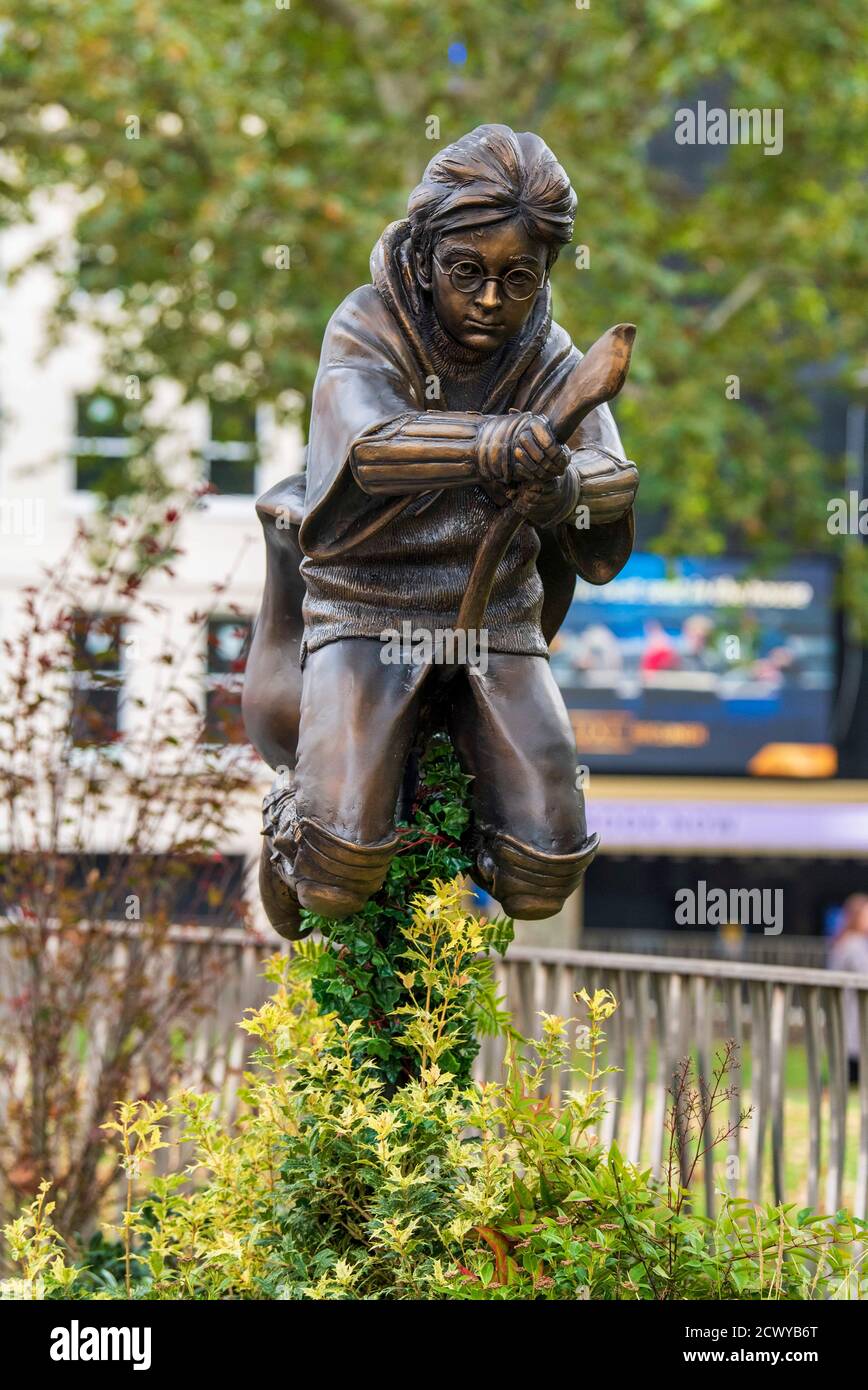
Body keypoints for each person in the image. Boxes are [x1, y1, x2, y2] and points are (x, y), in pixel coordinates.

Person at [243, 124, 639, 937]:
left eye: (518, 279)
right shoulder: (366, 326)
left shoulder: (552, 356)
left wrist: (563, 487)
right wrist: (495, 444)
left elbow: (609, 483)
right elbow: (372, 447)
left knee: (544, 869)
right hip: (370, 605)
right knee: (337, 869)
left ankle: (445, 811)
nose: (491, 300)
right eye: (468, 273)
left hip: (493, 618)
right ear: (425, 255)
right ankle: (300, 824)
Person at [828, 894, 868, 1085]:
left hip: (846, 1011)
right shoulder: (853, 944)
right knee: (851, 1070)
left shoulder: (843, 941)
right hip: (853, 1012)